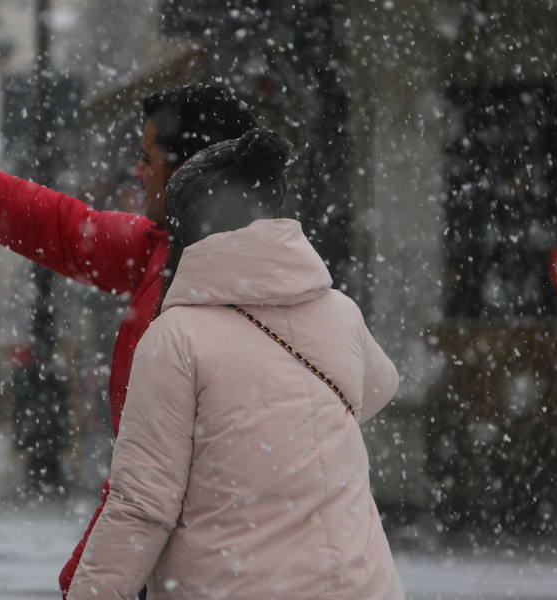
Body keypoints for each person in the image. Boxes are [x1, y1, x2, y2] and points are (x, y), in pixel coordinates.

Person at [0, 84, 257, 594]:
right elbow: (71, 230)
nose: (136, 173)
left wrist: (87, 585)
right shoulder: (167, 253)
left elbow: (148, 492)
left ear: (190, 173)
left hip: (215, 566)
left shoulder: (221, 278)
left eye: (147, 159)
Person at [67, 129, 404, 599]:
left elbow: (142, 504)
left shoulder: (176, 338)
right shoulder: (340, 312)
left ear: (189, 233)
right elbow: (375, 390)